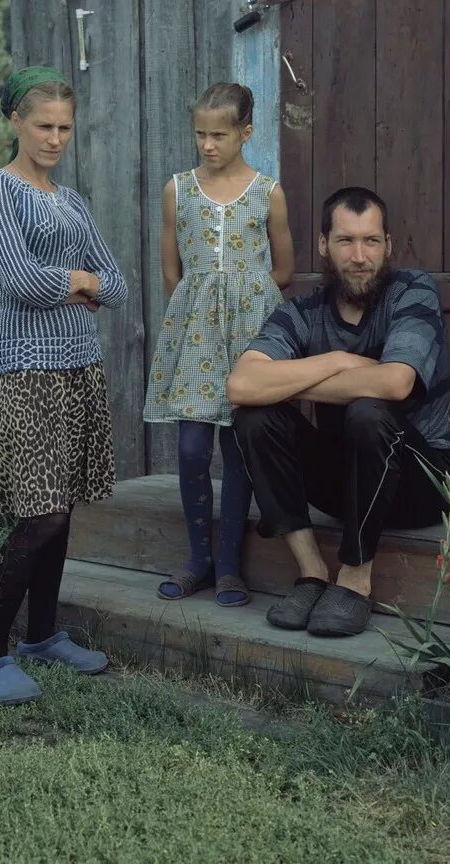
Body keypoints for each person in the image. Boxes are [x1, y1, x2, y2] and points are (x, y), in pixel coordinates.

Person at [227, 186, 450, 638]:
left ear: (388, 245)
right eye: (345, 241)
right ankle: (313, 572)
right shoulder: (303, 312)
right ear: (322, 245)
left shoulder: (413, 291)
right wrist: (338, 361)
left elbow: (396, 382)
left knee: (369, 412)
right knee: (254, 415)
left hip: (423, 484)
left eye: (371, 241)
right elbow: (241, 385)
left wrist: (298, 377)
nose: (359, 256)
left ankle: (354, 579)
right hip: (344, 485)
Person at [0, 66, 128, 704]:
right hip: (28, 367)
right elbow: (20, 282)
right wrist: (79, 281)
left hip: (79, 364)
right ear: (15, 122)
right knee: (41, 512)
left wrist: (86, 282)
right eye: (43, 125)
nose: (56, 138)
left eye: (65, 127)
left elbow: (115, 283)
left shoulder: (74, 201)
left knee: (62, 512)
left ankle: (42, 636)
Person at [143, 82, 294, 607]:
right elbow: (170, 271)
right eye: (200, 135)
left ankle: (229, 565)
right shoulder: (178, 190)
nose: (207, 145)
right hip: (196, 334)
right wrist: (202, 303)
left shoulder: (267, 191)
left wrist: (247, 297)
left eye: (219, 135)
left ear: (245, 133)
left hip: (250, 333)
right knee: (191, 449)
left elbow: (284, 267)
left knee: (238, 449)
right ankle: (197, 560)